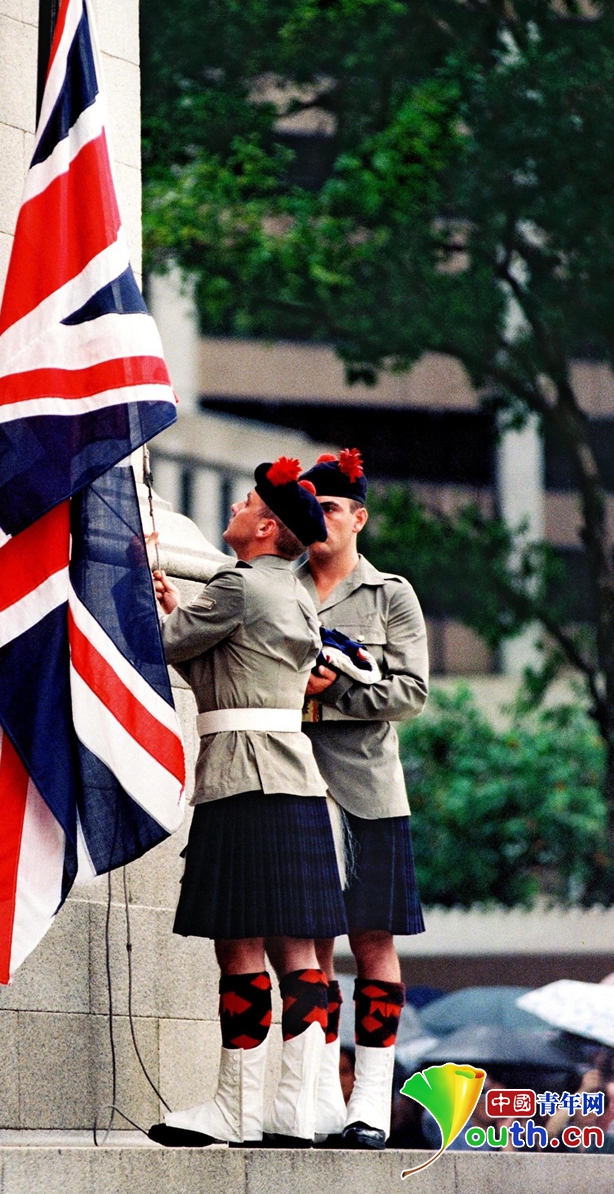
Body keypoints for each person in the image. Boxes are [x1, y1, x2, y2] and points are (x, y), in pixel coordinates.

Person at [147, 458, 348, 1149]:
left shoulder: (235, 584)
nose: (234, 505)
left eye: (246, 501)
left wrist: (153, 609)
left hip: (241, 778)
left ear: (266, 526)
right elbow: (219, 667)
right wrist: (180, 610)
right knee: (298, 948)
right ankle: (292, 1108)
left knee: (238, 943)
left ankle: (236, 1110)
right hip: (294, 781)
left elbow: (164, 648)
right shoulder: (293, 593)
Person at [295, 449, 429, 1150]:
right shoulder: (278, 584)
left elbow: (410, 691)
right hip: (293, 784)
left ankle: (371, 1098)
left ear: (360, 517)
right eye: (311, 507)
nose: (321, 518)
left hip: (368, 792)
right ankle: (319, 1094)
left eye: (334, 507)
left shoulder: (390, 595)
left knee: (370, 938)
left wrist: (334, 691)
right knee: (308, 942)